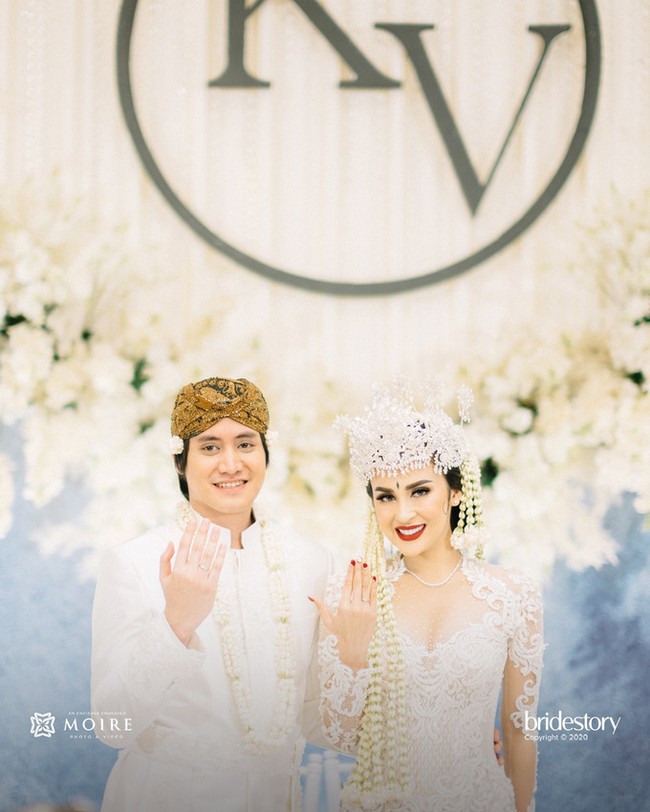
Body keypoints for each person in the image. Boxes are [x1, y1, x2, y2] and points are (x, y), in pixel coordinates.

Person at [91, 376, 331, 812]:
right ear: (180, 461)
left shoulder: (310, 563)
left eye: (245, 444)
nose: (230, 464)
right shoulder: (134, 562)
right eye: (209, 446)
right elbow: (112, 726)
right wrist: (176, 623)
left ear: (265, 453)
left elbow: (320, 722)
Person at [312, 385, 544, 812]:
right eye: (386, 496)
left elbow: (518, 730)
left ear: (455, 492)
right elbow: (343, 738)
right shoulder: (356, 596)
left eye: (420, 491)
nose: (402, 514)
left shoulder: (513, 594)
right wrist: (353, 653)